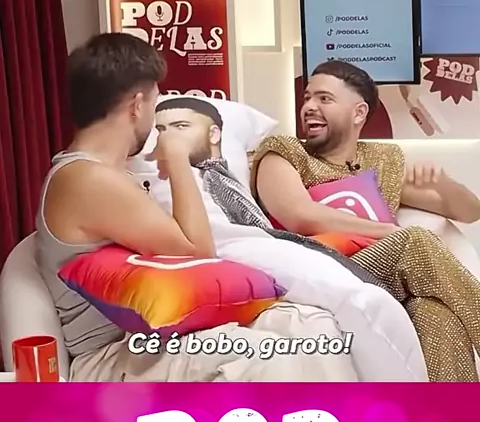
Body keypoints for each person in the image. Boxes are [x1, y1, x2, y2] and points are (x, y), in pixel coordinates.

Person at [35, 33, 361, 383]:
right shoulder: (86, 179)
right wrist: (178, 157)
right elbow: (198, 251)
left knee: (314, 327)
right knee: (273, 358)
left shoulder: (108, 175)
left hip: (154, 336)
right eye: (155, 102)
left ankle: (346, 418)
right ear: (137, 105)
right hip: (111, 357)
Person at [150, 97, 428, 383]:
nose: (167, 137)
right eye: (160, 130)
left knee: (424, 297)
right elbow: (297, 217)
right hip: (242, 247)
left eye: (180, 127)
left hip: (277, 242)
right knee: (371, 302)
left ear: (214, 134)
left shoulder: (381, 158)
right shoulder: (162, 177)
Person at [250, 59, 480, 382]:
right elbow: (300, 216)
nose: (309, 107)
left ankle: (452, 415)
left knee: (436, 312)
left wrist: (443, 184)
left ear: (358, 113)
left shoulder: (382, 161)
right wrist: (388, 232)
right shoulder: (284, 152)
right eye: (307, 98)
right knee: (413, 240)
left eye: (324, 99)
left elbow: (471, 212)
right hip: (318, 271)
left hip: (378, 280)